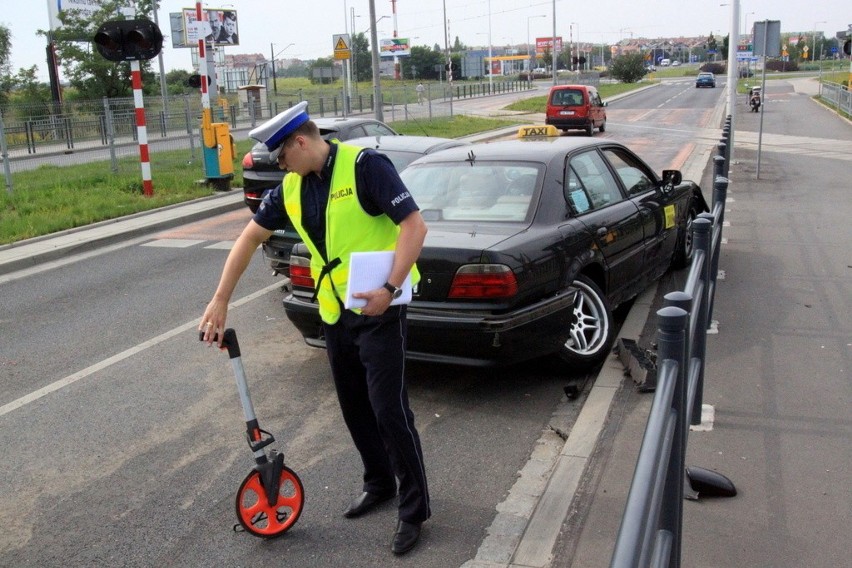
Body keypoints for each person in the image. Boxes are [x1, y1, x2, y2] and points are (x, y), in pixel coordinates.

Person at [199, 101, 430, 555]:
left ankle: (413, 510)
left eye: (282, 156)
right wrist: (220, 298)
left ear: (300, 141)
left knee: (389, 410)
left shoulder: (366, 167)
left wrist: (389, 286)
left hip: (380, 309)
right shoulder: (290, 188)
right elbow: (249, 238)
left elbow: (414, 227)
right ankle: (379, 482)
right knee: (354, 407)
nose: (281, 166)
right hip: (334, 312)